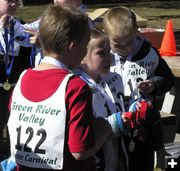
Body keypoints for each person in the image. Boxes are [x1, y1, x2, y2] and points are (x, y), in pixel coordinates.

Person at [7, 5, 112, 171]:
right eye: (85, 45)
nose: (85, 51)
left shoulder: (22, 78)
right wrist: (105, 130)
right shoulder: (75, 87)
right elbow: (80, 151)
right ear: (72, 46)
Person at [103, 6, 174, 171]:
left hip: (143, 124)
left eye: (129, 42)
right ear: (107, 35)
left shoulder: (148, 53)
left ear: (136, 31)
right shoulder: (102, 53)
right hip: (113, 121)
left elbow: (167, 79)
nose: (125, 48)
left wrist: (154, 84)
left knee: (142, 162)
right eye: (118, 45)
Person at [74, 28, 135, 171]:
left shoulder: (115, 78)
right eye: (101, 53)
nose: (109, 58)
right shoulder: (79, 87)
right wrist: (114, 123)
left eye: (109, 51)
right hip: (96, 160)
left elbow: (120, 105)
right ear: (82, 55)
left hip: (119, 154)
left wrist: (134, 106)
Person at [0, 0, 32, 161]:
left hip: (16, 89)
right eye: (9, 0)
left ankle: (13, 159)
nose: (14, 5)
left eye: (16, 1)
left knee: (15, 126)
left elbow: (29, 58)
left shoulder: (23, 27)